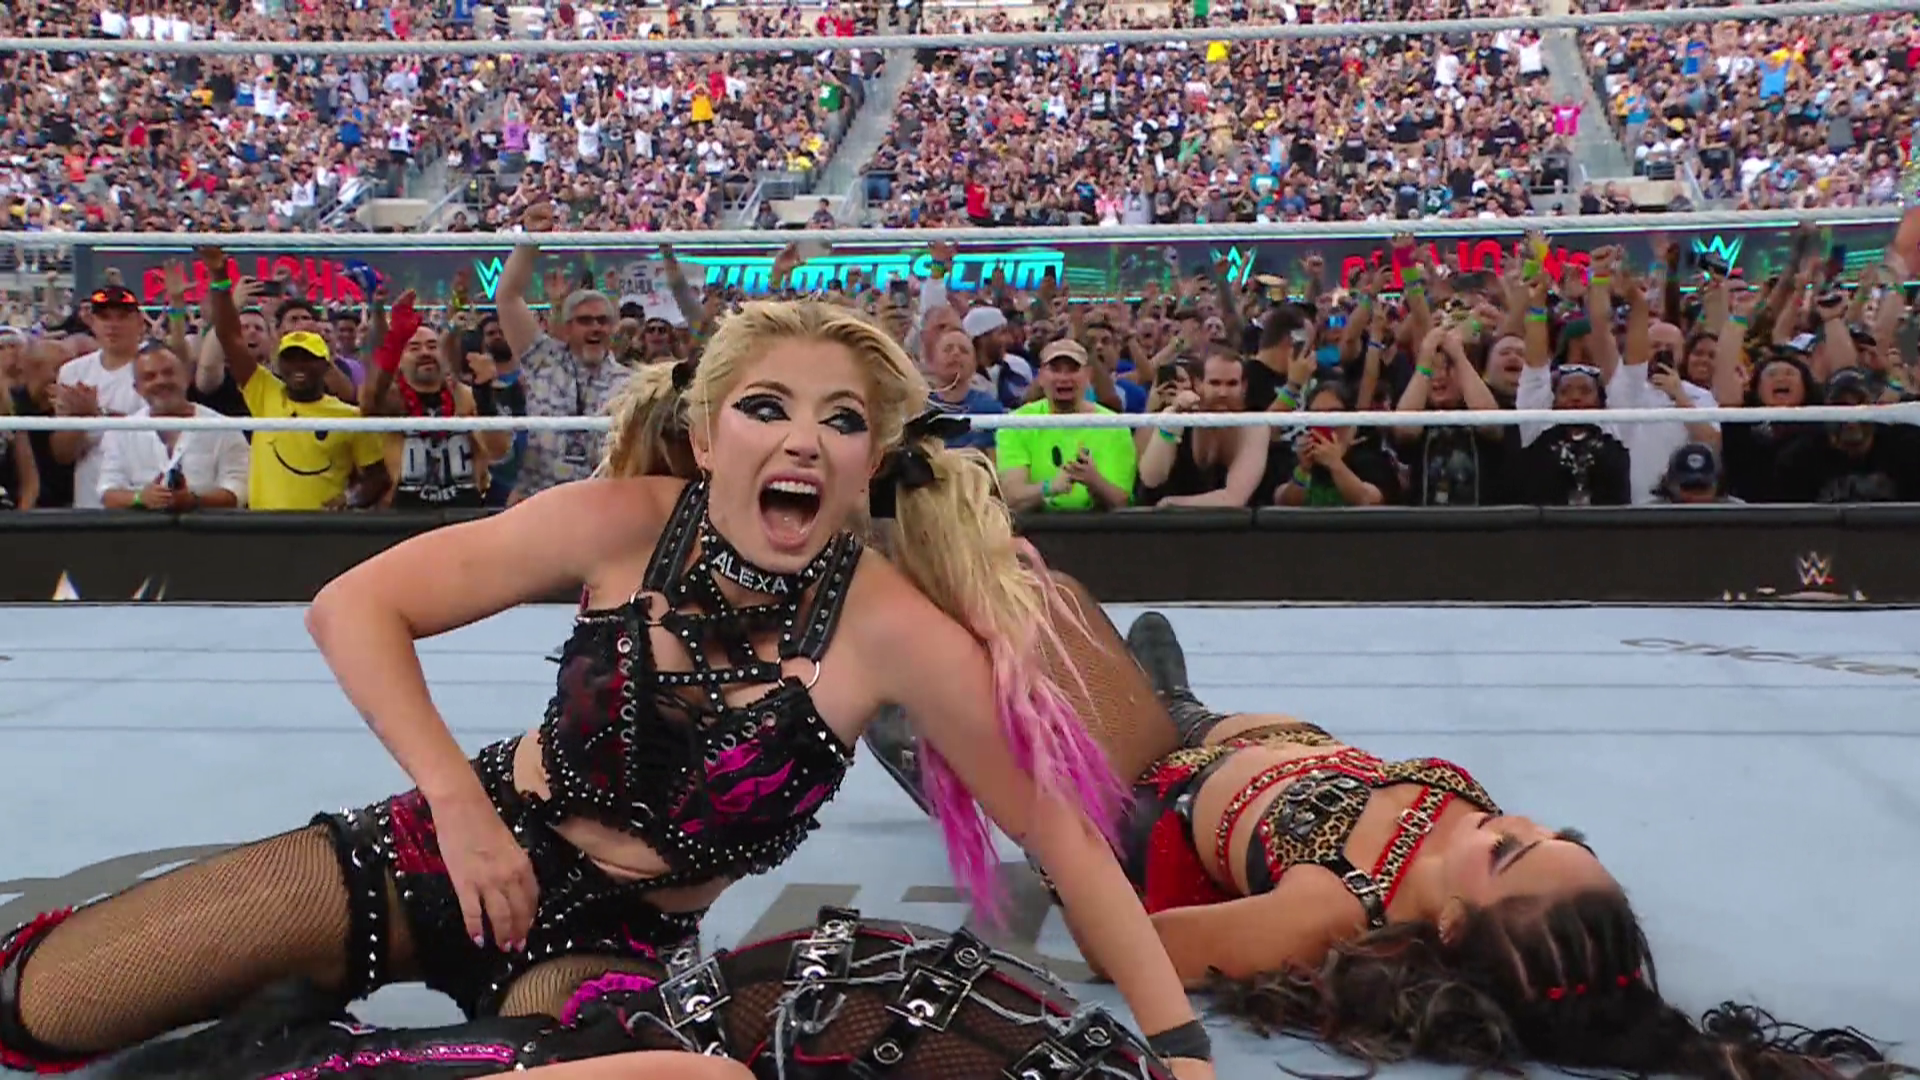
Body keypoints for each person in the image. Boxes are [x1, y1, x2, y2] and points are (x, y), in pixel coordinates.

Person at [0, 300, 1214, 1080]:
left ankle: (297, 1048)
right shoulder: (621, 521)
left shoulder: (898, 634)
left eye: (840, 420)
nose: (802, 438)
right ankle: (303, 996)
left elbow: (1064, 837)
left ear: (869, 461)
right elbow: (354, 606)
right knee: (39, 1009)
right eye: (767, 407)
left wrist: (1184, 1051)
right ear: (708, 435)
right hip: (447, 853)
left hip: (608, 950)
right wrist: (458, 807)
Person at [866, 609, 1909, 1080]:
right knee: (1095, 631)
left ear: (1452, 923)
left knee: (1001, 633)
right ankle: (1162, 694)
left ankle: (977, 758)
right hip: (1226, 733)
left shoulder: (1334, 905)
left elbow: (1127, 948)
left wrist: (1059, 834)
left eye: (1513, 852)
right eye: (1555, 833)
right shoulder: (1469, 841)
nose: (1521, 824)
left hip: (1142, 793)